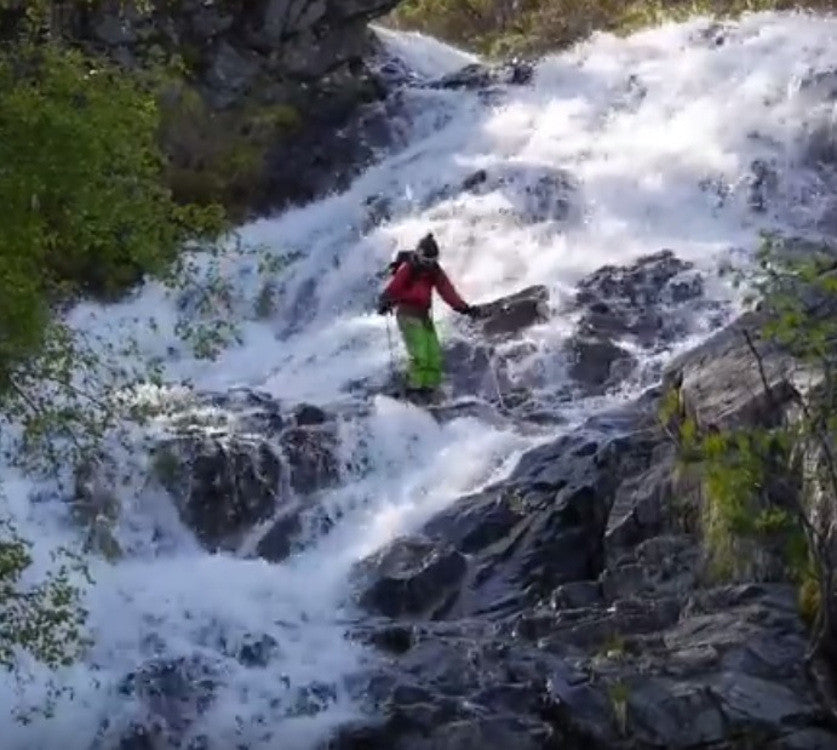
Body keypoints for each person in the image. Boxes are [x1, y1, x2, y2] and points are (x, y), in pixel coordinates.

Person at [377, 232, 480, 403]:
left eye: (432, 262)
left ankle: (430, 389)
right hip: (407, 314)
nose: (428, 265)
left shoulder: (435, 271)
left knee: (434, 353)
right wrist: (385, 300)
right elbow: (395, 286)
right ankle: (415, 389)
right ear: (419, 255)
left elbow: (447, 292)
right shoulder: (409, 268)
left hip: (423, 315)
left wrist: (464, 309)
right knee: (421, 353)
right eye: (426, 261)